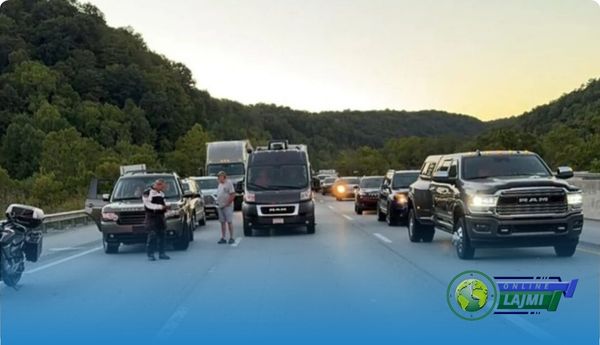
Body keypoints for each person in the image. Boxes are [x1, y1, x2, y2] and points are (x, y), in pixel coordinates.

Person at [143, 179, 170, 261]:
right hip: (152, 216)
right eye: (162, 186)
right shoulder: (147, 193)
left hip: (160, 216)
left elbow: (164, 203)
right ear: (158, 185)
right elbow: (148, 205)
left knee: (162, 235)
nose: (163, 188)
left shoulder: (161, 194)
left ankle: (162, 253)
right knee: (152, 235)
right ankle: (150, 254)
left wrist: (167, 207)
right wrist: (160, 207)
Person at [216, 171, 236, 244]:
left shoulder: (228, 183)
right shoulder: (220, 185)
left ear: (224, 177)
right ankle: (223, 237)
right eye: (218, 176)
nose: (219, 178)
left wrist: (228, 203)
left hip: (227, 206)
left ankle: (231, 237)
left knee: (229, 221)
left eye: (220, 176)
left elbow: (233, 194)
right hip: (220, 206)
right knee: (222, 222)